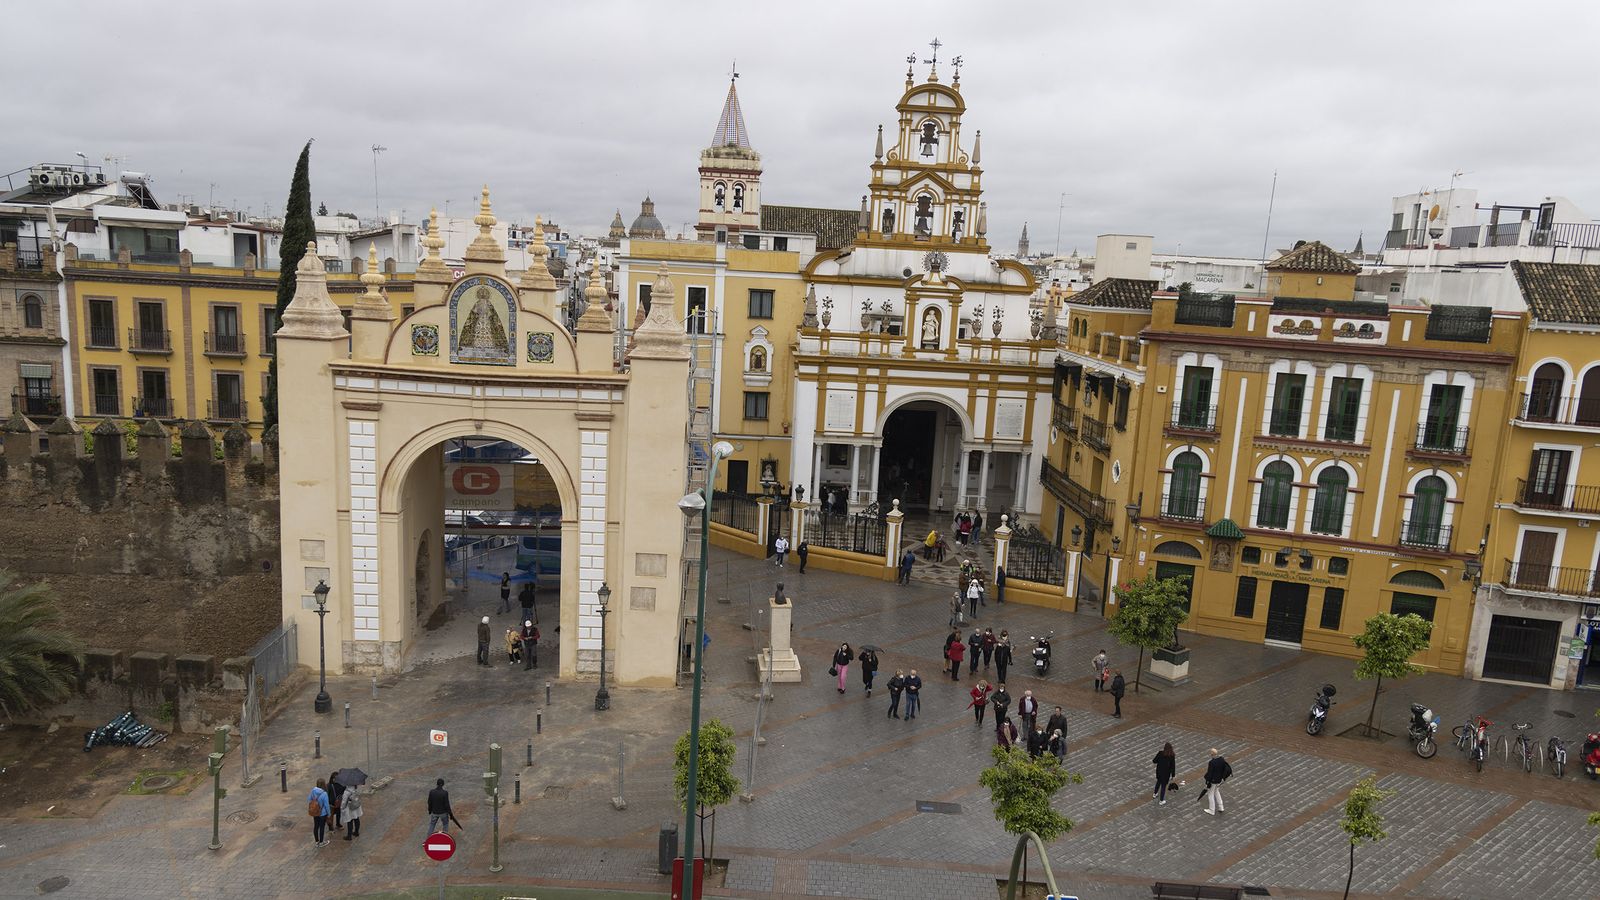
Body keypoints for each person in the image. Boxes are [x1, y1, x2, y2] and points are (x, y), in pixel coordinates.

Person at [1203, 748, 1232, 816]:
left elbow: (1210, 774)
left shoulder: (1212, 762)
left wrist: (1207, 782)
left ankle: (1211, 810)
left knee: (1210, 794)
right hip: (1219, 780)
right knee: (1216, 792)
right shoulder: (1222, 759)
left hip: (1213, 781)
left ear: (1212, 754)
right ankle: (1221, 807)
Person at [309, 778, 331, 847]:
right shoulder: (324, 793)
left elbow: (309, 799)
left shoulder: (313, 791)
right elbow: (327, 805)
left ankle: (316, 841)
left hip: (315, 812)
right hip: (322, 813)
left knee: (316, 826)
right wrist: (329, 814)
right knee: (322, 827)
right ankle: (321, 842)